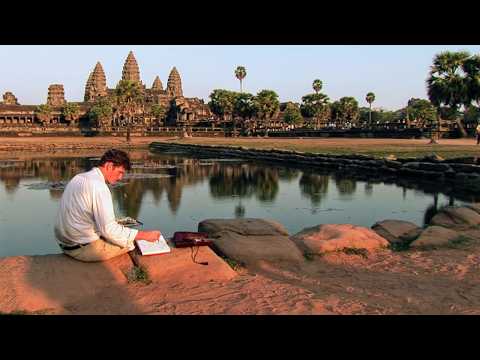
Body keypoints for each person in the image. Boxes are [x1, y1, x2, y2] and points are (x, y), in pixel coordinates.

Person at [54, 149, 161, 262]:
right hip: (84, 249)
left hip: (65, 244)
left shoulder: (79, 178)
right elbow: (108, 229)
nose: (120, 178)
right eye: (120, 172)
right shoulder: (99, 187)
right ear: (109, 166)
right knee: (133, 243)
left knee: (121, 233)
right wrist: (145, 235)